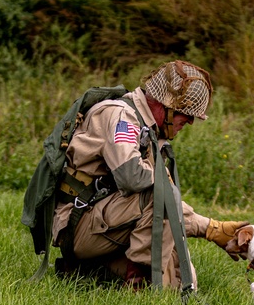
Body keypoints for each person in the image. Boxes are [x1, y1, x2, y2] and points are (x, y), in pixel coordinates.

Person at [51, 60, 242, 289]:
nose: (190, 121)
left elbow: (161, 202)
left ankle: (88, 270)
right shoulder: (122, 118)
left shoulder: (149, 129)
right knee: (161, 194)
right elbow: (131, 177)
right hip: (78, 224)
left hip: (104, 221)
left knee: (180, 281)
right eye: (185, 113)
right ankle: (137, 288)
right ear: (164, 106)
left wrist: (212, 229)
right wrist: (204, 226)